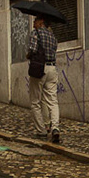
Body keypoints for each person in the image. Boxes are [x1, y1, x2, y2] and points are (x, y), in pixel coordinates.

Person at [26, 14, 61, 143]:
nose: (33, 23)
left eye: (35, 20)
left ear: (41, 22)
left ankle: (41, 130)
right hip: (52, 68)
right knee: (53, 101)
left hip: (40, 68)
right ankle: (55, 128)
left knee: (35, 101)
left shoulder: (36, 33)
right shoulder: (53, 36)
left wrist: (28, 55)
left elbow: (33, 49)